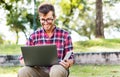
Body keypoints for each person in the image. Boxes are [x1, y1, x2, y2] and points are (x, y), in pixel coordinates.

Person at [18, 2, 74, 77]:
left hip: (58, 68)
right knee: (23, 71)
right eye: (43, 20)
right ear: (39, 19)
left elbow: (71, 58)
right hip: (39, 70)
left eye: (48, 19)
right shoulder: (33, 36)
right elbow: (22, 59)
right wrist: (29, 62)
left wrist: (68, 62)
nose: (45, 23)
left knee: (56, 70)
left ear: (54, 17)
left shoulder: (65, 35)